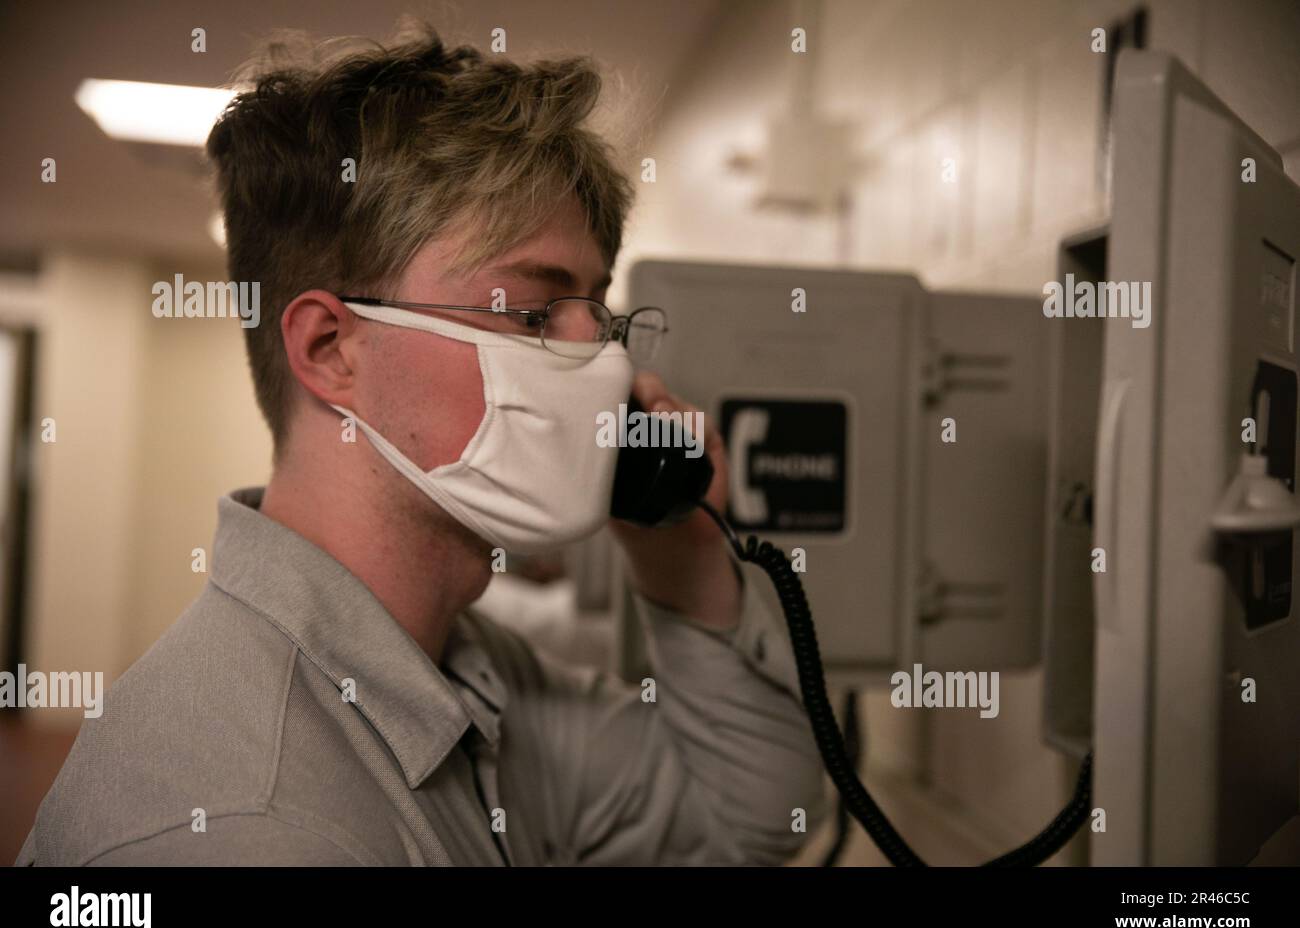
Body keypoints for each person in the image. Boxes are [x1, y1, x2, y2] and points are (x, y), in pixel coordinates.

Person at [17, 22, 824, 866]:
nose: (604, 369)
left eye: (598, 314)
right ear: (333, 350)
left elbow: (753, 816)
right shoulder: (245, 825)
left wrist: (685, 552)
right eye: (534, 314)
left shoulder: (462, 668)